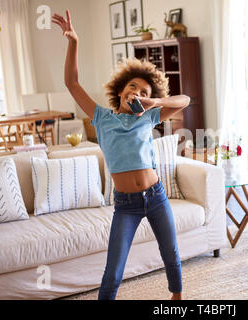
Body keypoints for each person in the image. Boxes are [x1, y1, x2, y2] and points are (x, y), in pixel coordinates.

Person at [52, 10, 190, 300]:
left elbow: (185, 100)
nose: (137, 92)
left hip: (155, 196)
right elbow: (72, 84)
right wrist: (73, 42)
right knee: (114, 270)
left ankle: (177, 299)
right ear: (120, 90)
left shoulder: (148, 117)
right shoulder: (101, 117)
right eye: (133, 87)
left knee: (171, 253)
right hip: (126, 205)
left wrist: (155, 101)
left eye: (142, 90)